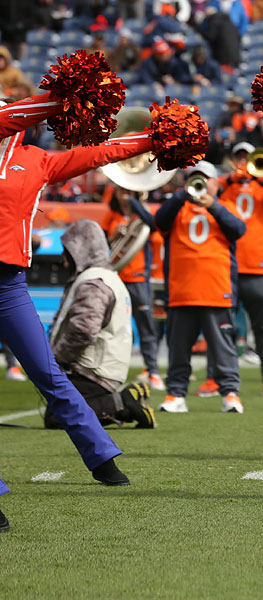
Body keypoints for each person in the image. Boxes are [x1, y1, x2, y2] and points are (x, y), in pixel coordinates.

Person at [0, 91, 164, 511]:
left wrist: (156, 136)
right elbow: (21, 112)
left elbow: (102, 153)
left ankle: (101, 456)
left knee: (49, 373)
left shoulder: (39, 159)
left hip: (9, 285)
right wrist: (67, 96)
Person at [195, 143, 263, 399]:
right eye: (238, 157)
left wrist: (259, 177)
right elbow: (203, 192)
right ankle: (212, 378)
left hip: (260, 269)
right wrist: (230, 178)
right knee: (219, 326)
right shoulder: (224, 185)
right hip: (226, 268)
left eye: (246, 157)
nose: (242, 162)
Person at [154, 161, 247, 414]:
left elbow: (239, 229)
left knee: (223, 349)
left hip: (216, 291)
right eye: (195, 179)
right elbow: (159, 220)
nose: (201, 184)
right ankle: (175, 393)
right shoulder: (177, 208)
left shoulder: (223, 208)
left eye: (206, 179)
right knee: (178, 349)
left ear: (216, 184)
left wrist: (213, 206)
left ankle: (230, 392)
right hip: (182, 292)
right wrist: (182, 194)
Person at [46, 219, 156, 429]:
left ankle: (122, 403)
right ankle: (121, 403)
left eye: (68, 251)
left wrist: (55, 361)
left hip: (91, 372)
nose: (64, 260)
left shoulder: (93, 283)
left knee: (58, 416)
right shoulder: (108, 277)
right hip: (103, 369)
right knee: (58, 413)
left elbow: (83, 330)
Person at [99, 185, 163, 390]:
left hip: (138, 278)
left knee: (146, 327)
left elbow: (153, 225)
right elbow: (101, 245)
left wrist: (135, 203)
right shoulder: (112, 215)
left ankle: (152, 371)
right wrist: (113, 236)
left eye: (128, 191)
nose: (123, 196)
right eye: (120, 191)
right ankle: (108, 373)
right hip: (116, 277)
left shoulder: (142, 214)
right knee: (111, 327)